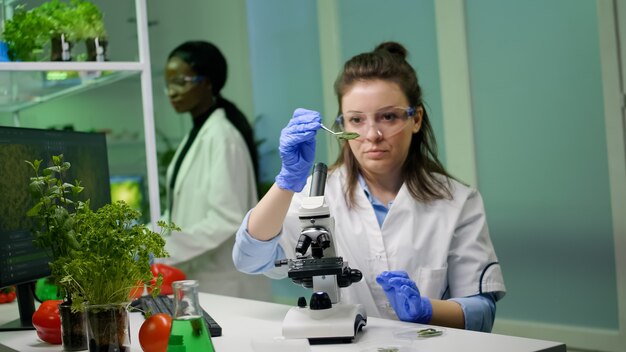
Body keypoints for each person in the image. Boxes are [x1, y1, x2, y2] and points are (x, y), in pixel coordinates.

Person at [233, 41, 506, 331]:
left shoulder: (458, 201)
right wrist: (286, 181)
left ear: (416, 119)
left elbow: (482, 312)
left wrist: (426, 310)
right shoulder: (318, 195)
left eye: (388, 117)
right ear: (342, 125)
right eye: (356, 120)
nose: (372, 134)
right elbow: (249, 260)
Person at [159, 40, 270, 301]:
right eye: (168, 84)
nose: (172, 92)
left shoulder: (222, 137)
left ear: (207, 82)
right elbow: (178, 210)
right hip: (199, 277)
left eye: (181, 81)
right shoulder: (197, 135)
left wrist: (166, 247)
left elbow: (227, 218)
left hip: (224, 281)